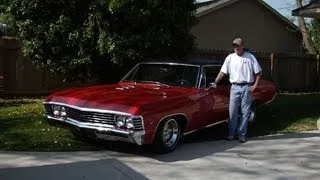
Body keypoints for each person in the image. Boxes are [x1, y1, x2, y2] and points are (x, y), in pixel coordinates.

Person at [214, 38, 262, 143]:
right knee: (232, 112)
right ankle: (231, 134)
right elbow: (223, 72)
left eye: (238, 46)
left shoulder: (250, 57)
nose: (236, 48)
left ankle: (242, 135)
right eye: (234, 46)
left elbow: (258, 73)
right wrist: (215, 82)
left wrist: (254, 86)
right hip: (234, 87)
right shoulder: (230, 58)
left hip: (246, 87)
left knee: (245, 112)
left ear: (242, 46)